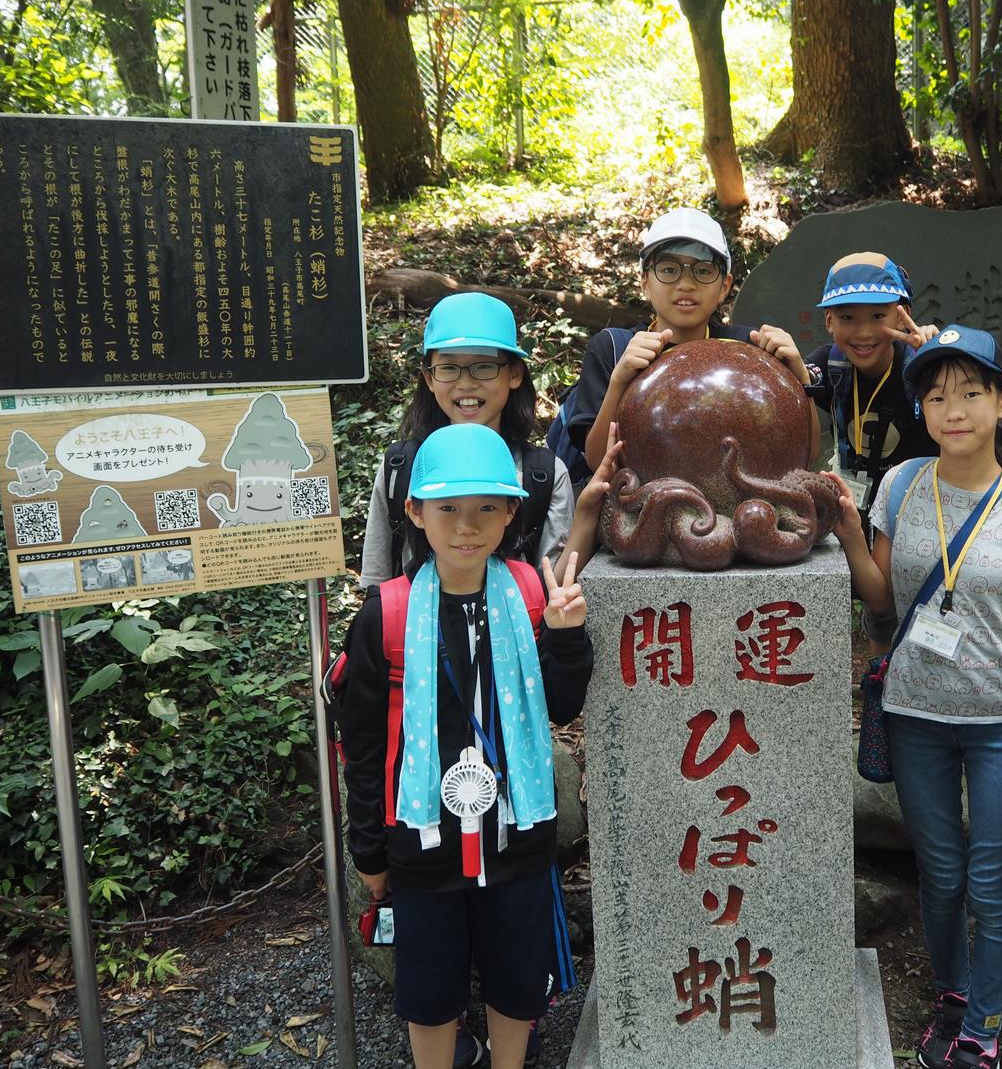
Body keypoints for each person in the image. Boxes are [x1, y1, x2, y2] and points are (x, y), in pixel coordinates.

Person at [829, 325, 1002, 1069]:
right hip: (914, 713)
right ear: (923, 409)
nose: (954, 408)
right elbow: (880, 597)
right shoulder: (900, 487)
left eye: (971, 392)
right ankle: (953, 994)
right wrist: (845, 525)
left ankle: (986, 1027)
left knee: (991, 878)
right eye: (936, 395)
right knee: (939, 872)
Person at [338, 424, 592, 1069]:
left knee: (517, 974)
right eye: (447, 508)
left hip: (518, 834)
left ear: (512, 513)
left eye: (486, 508)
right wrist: (368, 846)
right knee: (428, 986)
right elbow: (363, 744)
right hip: (422, 841)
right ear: (414, 512)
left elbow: (561, 707)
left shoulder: (533, 596)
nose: (466, 527)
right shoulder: (385, 614)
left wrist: (564, 636)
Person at [566, 207, 818, 470]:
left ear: (725, 286)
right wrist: (620, 380)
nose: (686, 284)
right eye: (668, 269)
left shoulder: (748, 348)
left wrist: (800, 379)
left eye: (704, 270)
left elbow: (802, 458)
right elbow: (598, 462)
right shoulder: (614, 348)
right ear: (644, 281)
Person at [360, 292, 573, 589]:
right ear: (429, 378)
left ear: (514, 374)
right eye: (448, 367)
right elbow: (376, 586)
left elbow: (549, 592)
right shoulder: (400, 469)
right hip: (410, 633)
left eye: (484, 366)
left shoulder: (545, 475)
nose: (465, 383)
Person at [804, 252, 1002, 520]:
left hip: (933, 505)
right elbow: (802, 382)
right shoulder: (830, 365)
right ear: (829, 320)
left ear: (902, 316)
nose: (863, 332)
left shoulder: (924, 361)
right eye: (847, 318)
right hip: (862, 510)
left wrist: (945, 350)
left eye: (877, 315)